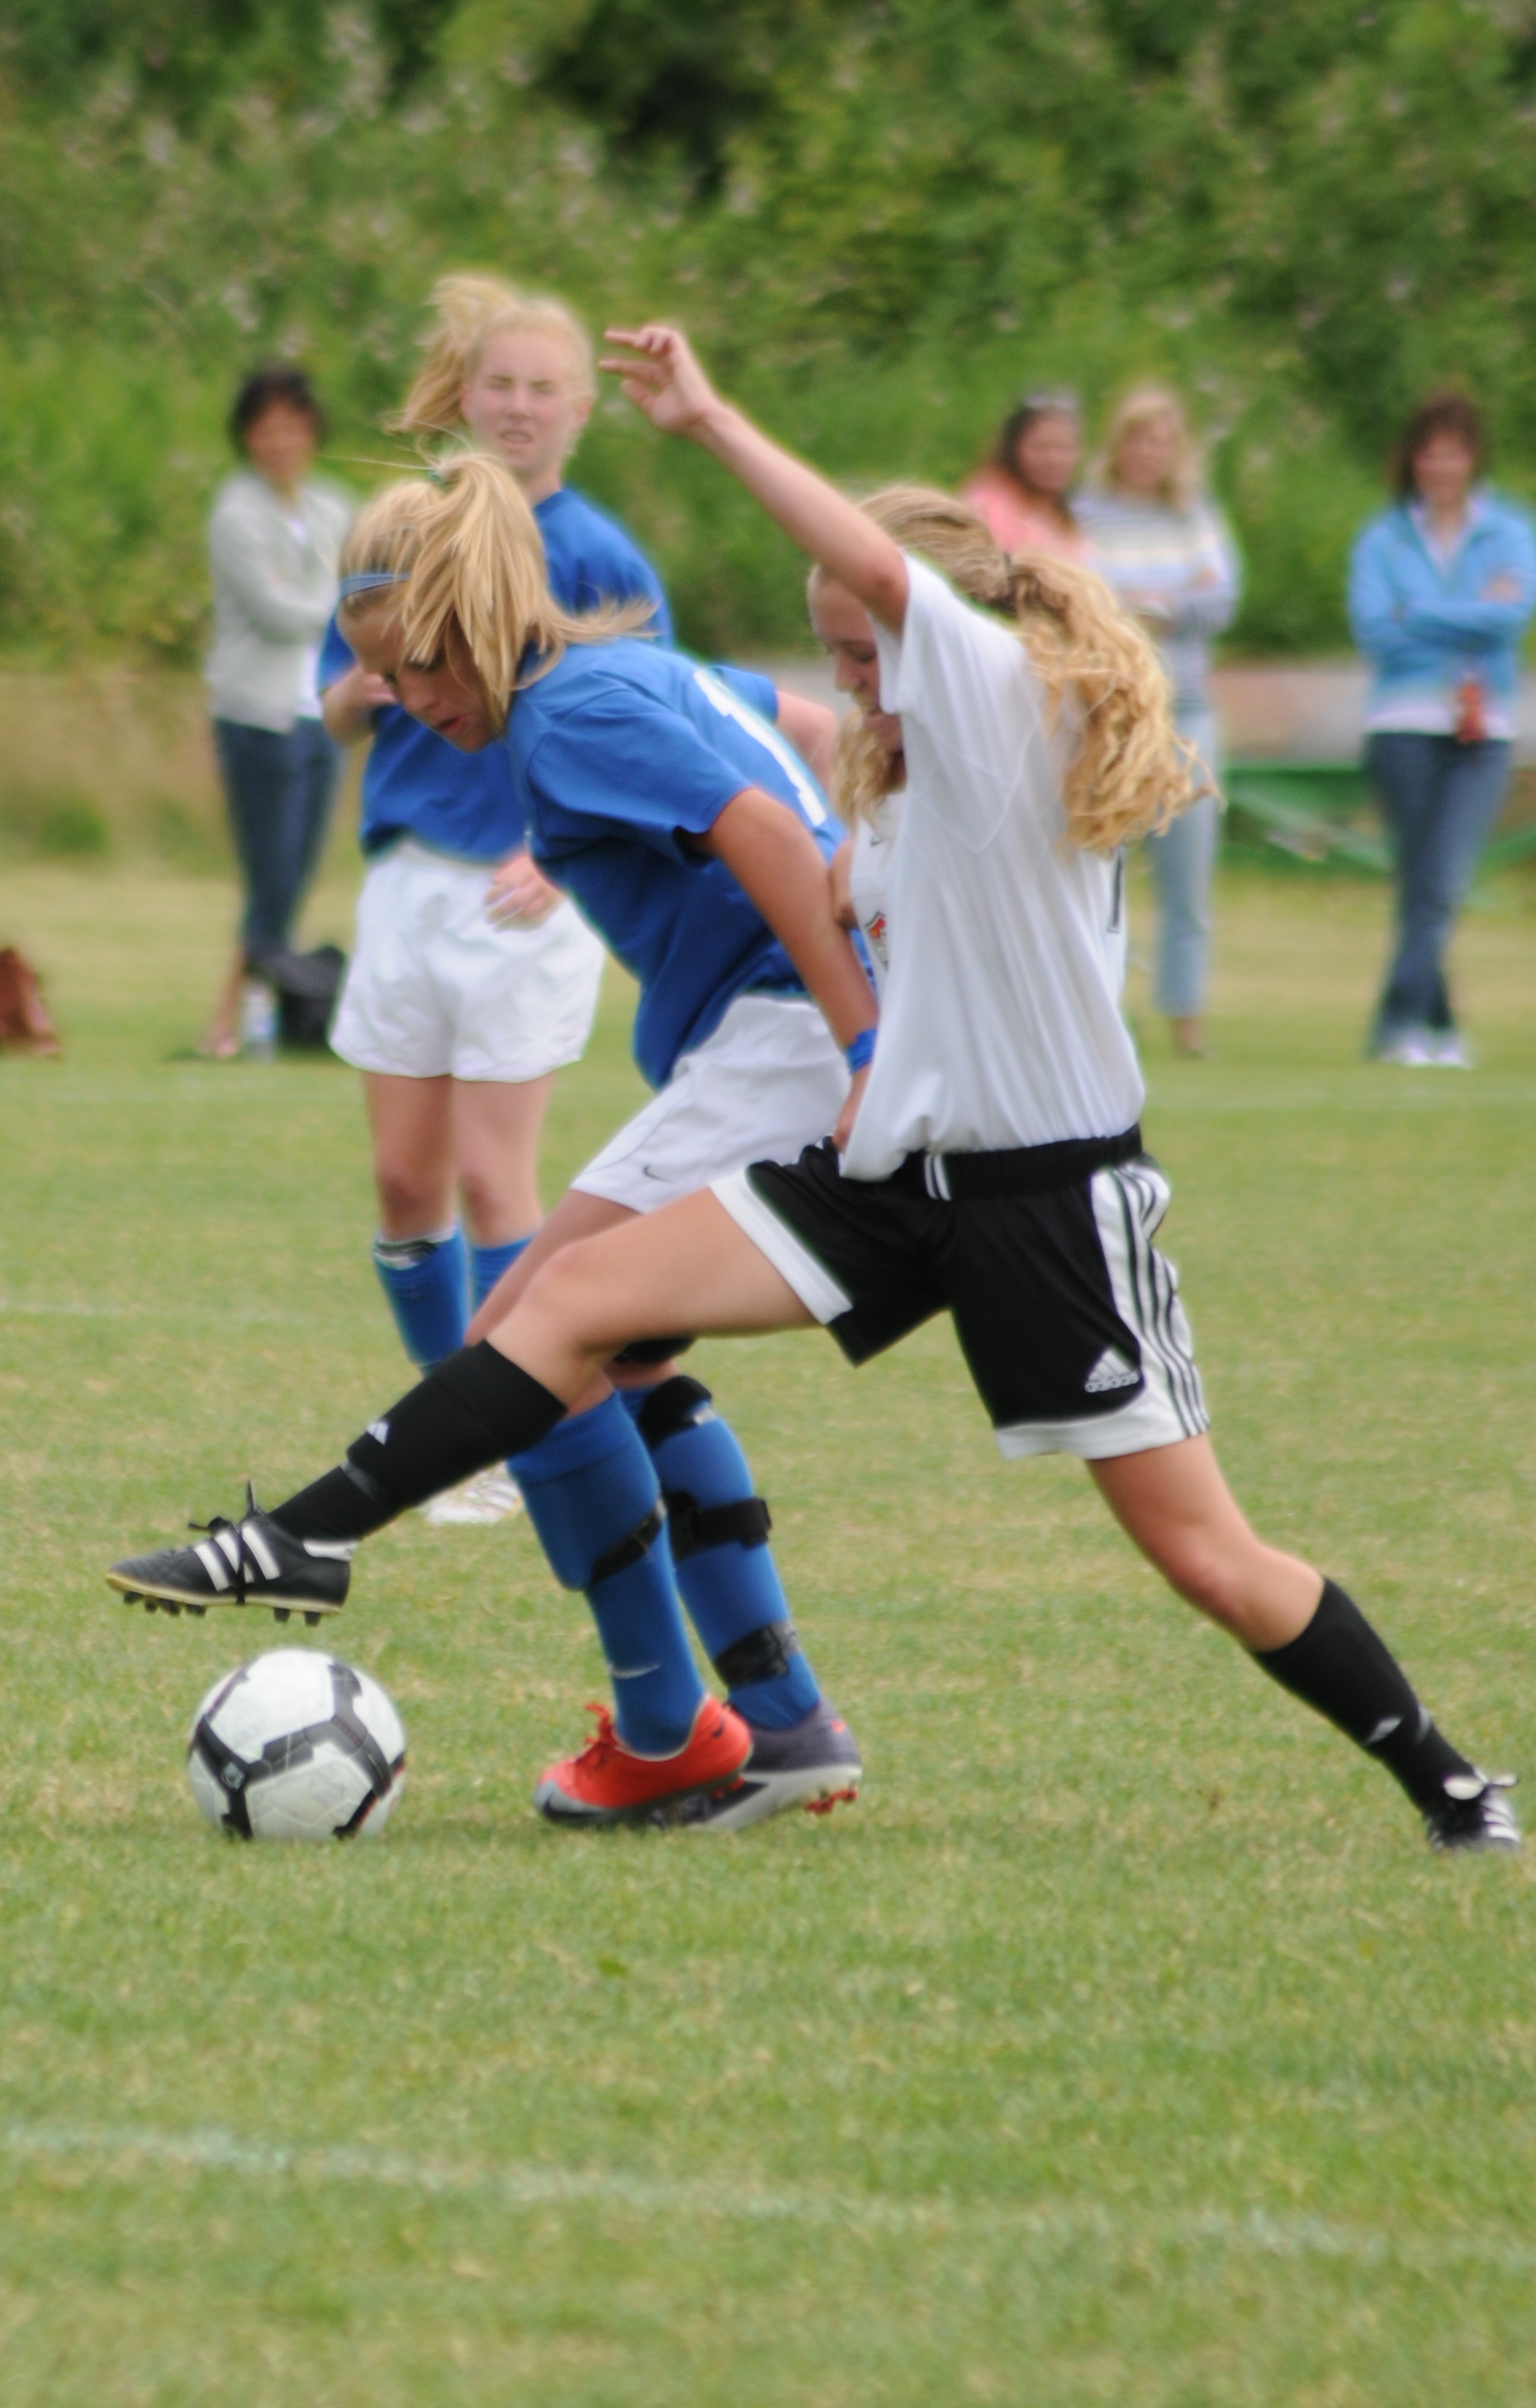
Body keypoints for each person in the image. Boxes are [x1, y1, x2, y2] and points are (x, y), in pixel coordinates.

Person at [107, 326, 1517, 1861]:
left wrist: (709, 421)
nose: (847, 681)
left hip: (1044, 1203)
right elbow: (797, 795)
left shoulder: (997, 708)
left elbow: (874, 586)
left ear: (936, 640)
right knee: (568, 1304)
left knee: (1206, 1557)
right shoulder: (902, 785)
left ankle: (1453, 1787)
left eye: (858, 653)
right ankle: (311, 1534)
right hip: (889, 1178)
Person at [122, 455, 876, 1832]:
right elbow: (802, 733)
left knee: (526, 1338)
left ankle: (648, 1718)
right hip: (780, 1031)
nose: (409, 701)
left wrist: (867, 1045)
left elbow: (769, 830)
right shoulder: (629, 670)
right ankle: (775, 1717)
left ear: (480, 611)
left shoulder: (567, 711)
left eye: (418, 665)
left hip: (786, 1035)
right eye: (383, 675)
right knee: (611, 1354)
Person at [317, 278, 837, 1536]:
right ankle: (468, 1426)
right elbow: (334, 706)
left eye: (542, 386)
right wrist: (358, 694)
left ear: (581, 407)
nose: (516, 405)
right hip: (414, 882)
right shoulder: (404, 541)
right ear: (464, 395)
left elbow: (705, 761)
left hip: (591, 931)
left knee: (526, 1255)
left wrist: (866, 1026)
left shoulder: (581, 626)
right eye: (497, 383)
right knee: (418, 1191)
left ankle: (467, 1443)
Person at [1348, 391, 1536, 1068]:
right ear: (1413, 460)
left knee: (1444, 879)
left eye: (1453, 454)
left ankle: (1399, 1021)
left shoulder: (1507, 530)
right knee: (1421, 882)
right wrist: (1467, 613)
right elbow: (1376, 628)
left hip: (1482, 726)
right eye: (1429, 454)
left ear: (1472, 458)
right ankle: (1434, 1025)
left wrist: (1419, 610)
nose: (1441, 467)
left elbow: (1510, 618)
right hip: (1403, 721)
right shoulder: (1384, 536)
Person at [1075, 388, 1240, 1059]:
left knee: (1188, 872)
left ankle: (1185, 1013)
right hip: (1110, 712)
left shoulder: (1194, 515)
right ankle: (1100, 1011)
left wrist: (1156, 604)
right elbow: (1085, 596)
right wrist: (1146, 603)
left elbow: (1220, 597)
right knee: (1101, 869)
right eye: (1139, 439)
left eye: (1163, 441)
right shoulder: (1087, 514)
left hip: (1185, 710)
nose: (1150, 453)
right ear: (1118, 445)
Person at [201, 366, 352, 1057]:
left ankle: (258, 1014)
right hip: (257, 715)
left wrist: (342, 602)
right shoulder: (236, 513)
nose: (281, 442)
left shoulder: (333, 509)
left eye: (293, 427)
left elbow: (360, 587)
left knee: (295, 875)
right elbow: (276, 611)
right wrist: (342, 604)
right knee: (270, 875)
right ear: (246, 437)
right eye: (266, 429)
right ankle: (233, 1021)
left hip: (321, 712)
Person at [963, 392, 1089, 564]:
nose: (1053, 459)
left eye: (1064, 448)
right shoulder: (986, 505)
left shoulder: (1072, 511)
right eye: (1041, 447)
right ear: (1014, 447)